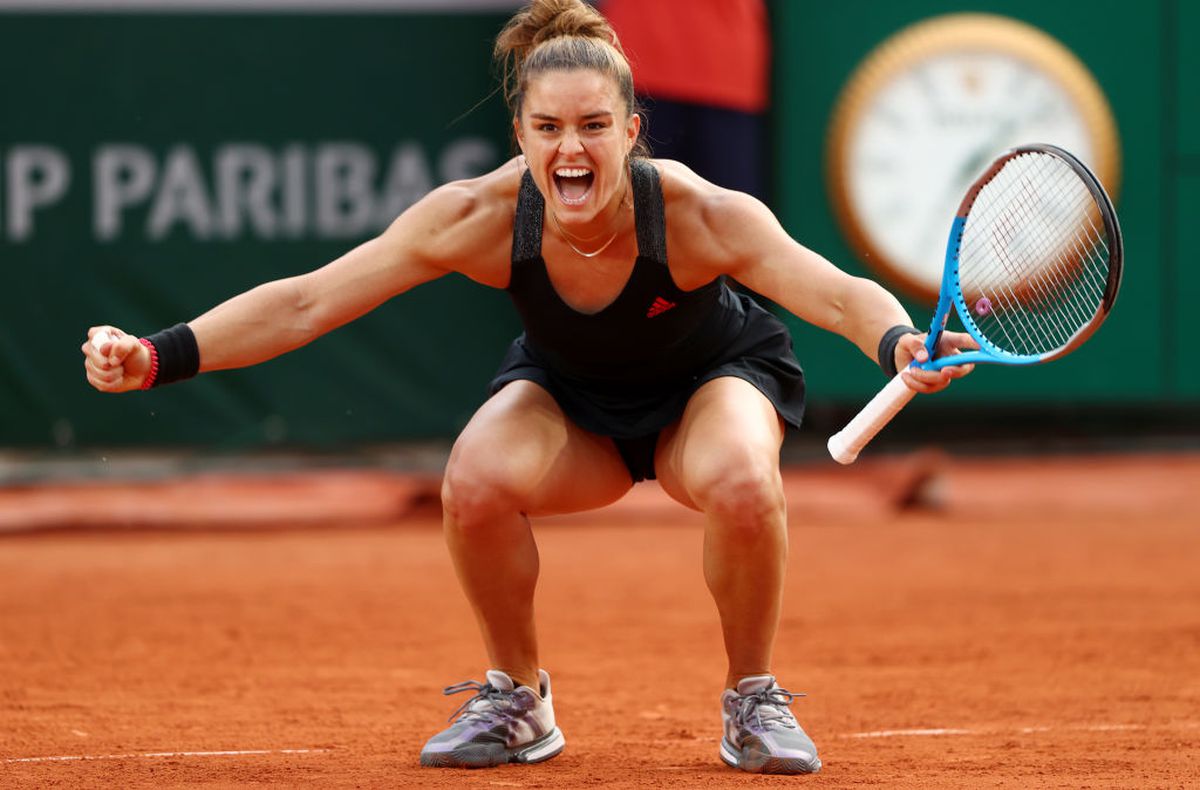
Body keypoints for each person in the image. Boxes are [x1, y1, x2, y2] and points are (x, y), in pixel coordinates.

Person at [81, 0, 976, 775]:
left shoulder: (699, 215)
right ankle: (520, 700)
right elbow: (309, 300)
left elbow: (828, 287)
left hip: (711, 385)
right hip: (573, 404)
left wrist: (895, 336)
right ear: (521, 138)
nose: (571, 147)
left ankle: (752, 698)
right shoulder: (478, 217)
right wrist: (160, 354)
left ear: (632, 131)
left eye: (593, 125)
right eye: (548, 129)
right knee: (473, 481)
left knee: (744, 479)